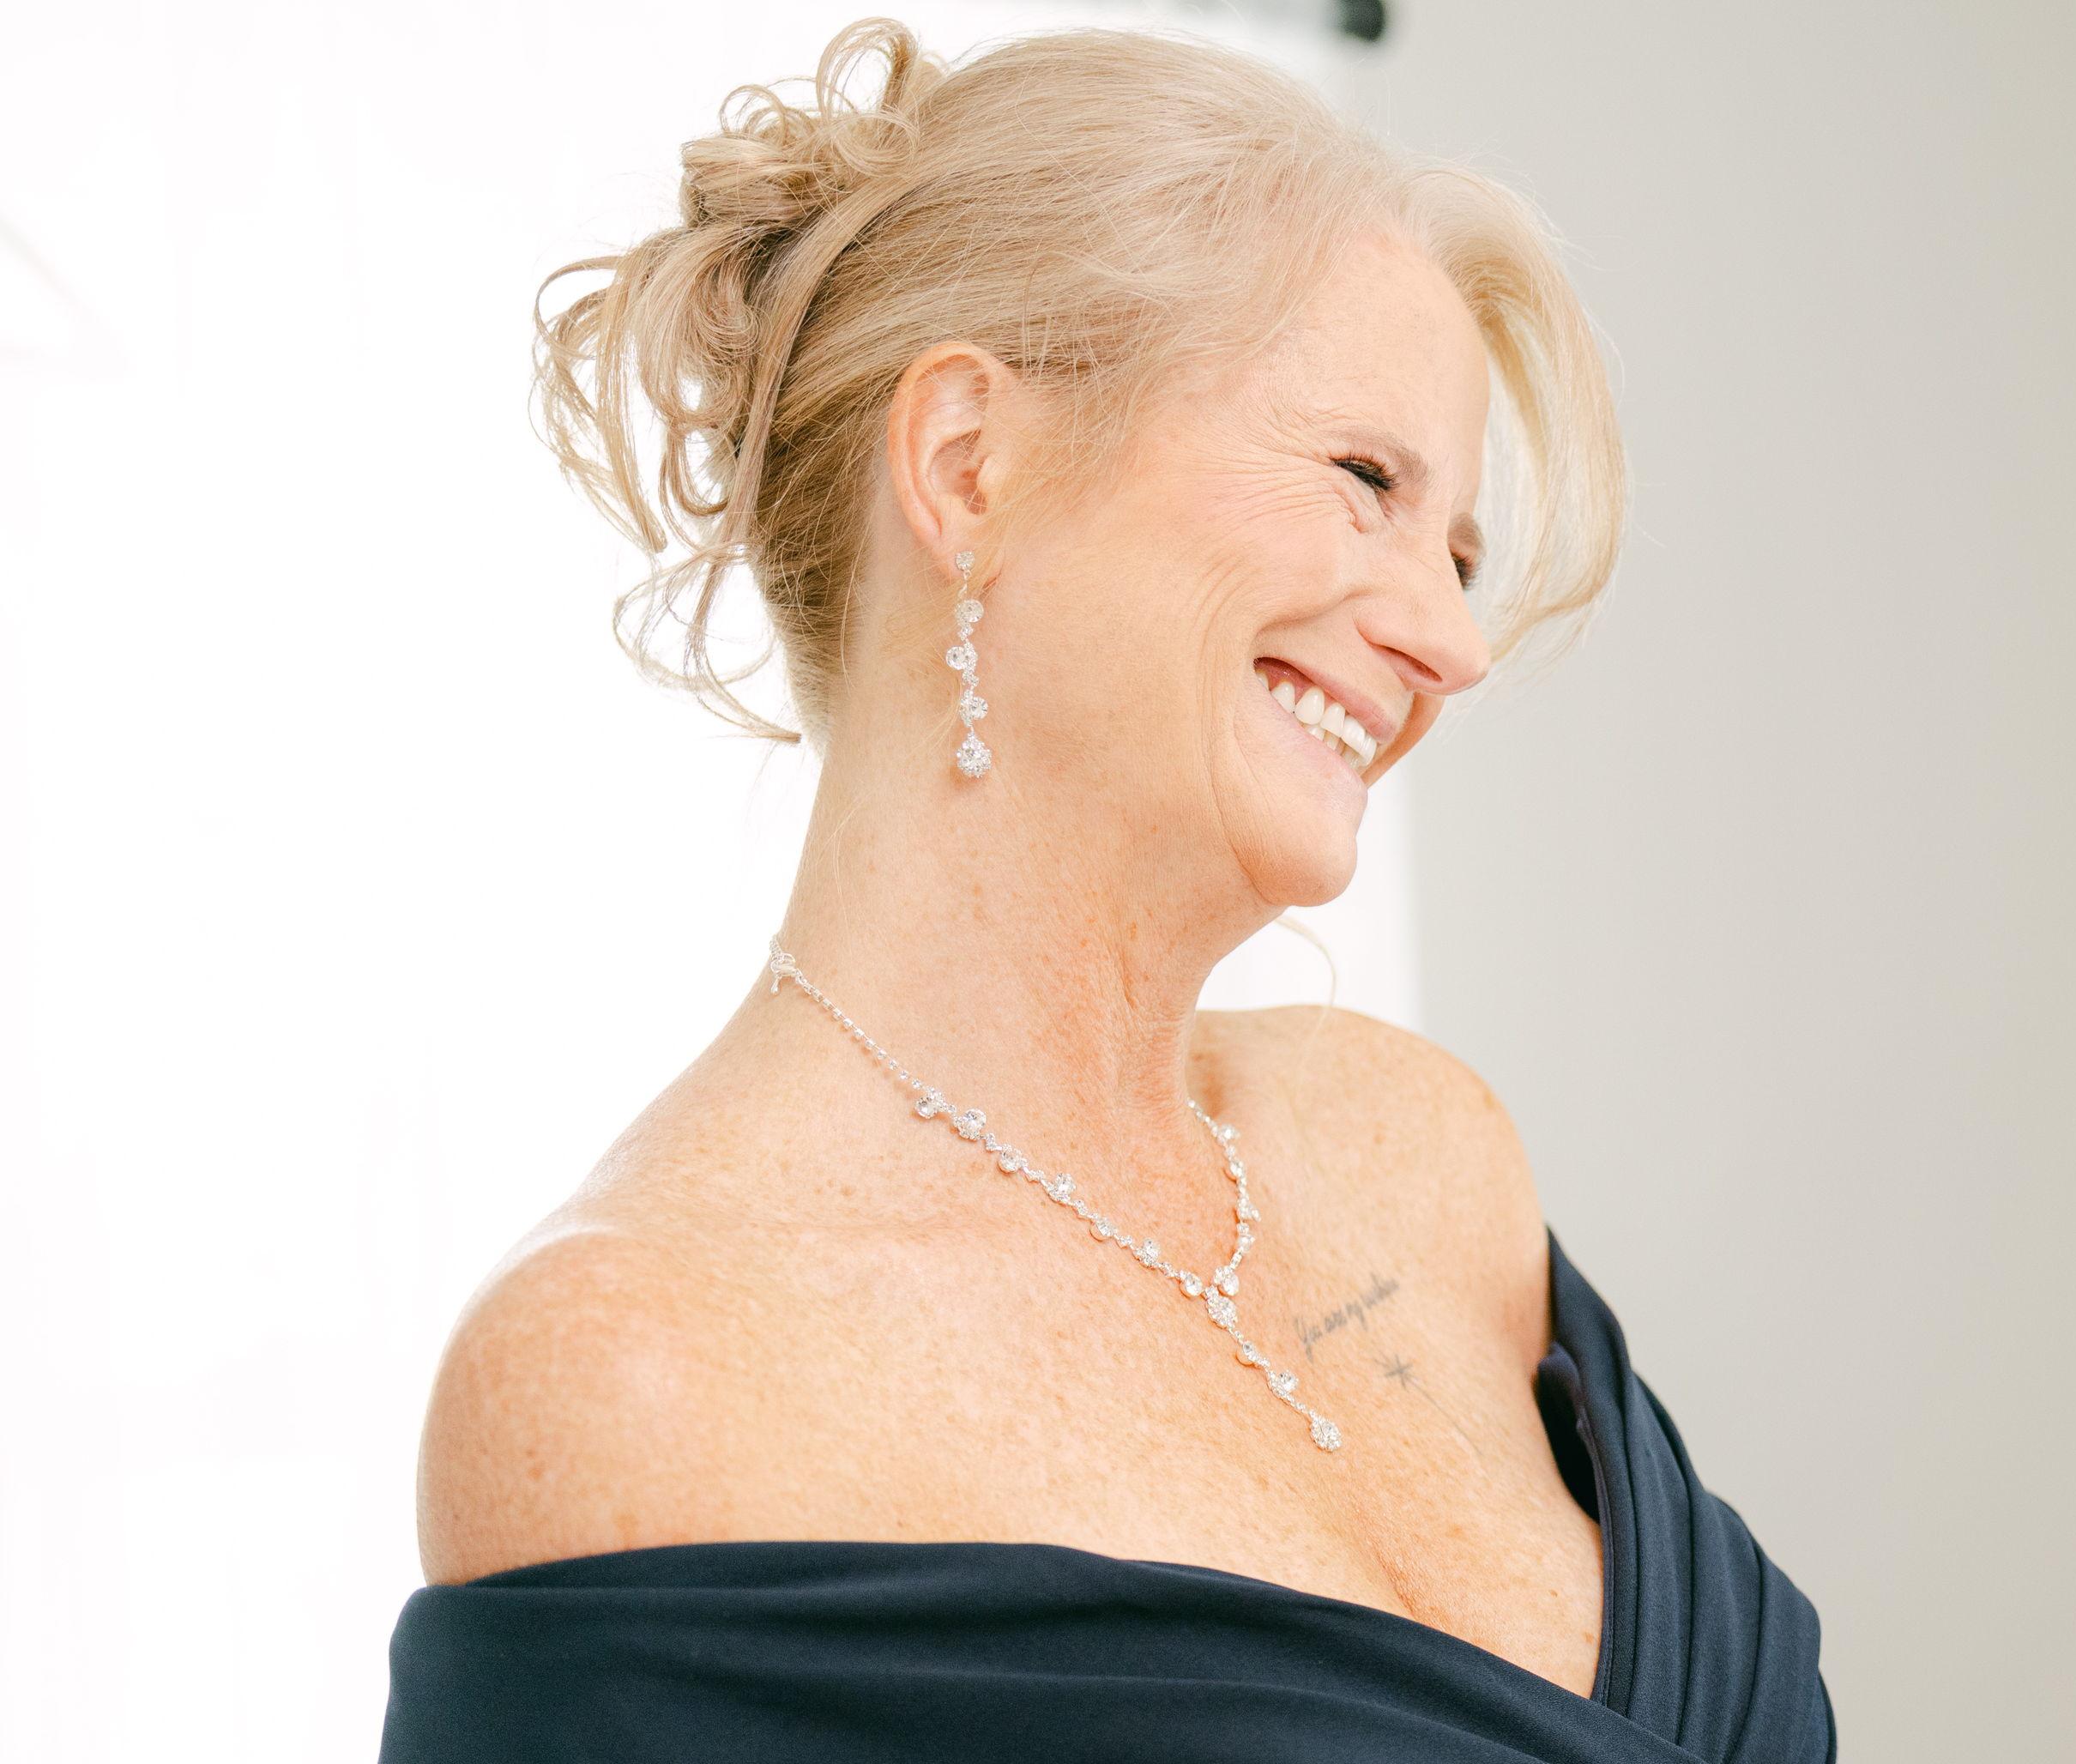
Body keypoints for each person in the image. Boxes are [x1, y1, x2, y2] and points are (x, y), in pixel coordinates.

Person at [383, 22, 1832, 1761]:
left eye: (1458, 553)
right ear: (969, 463)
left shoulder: (1427, 1151)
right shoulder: (638, 1372)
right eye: (1364, 480)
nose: (1452, 643)